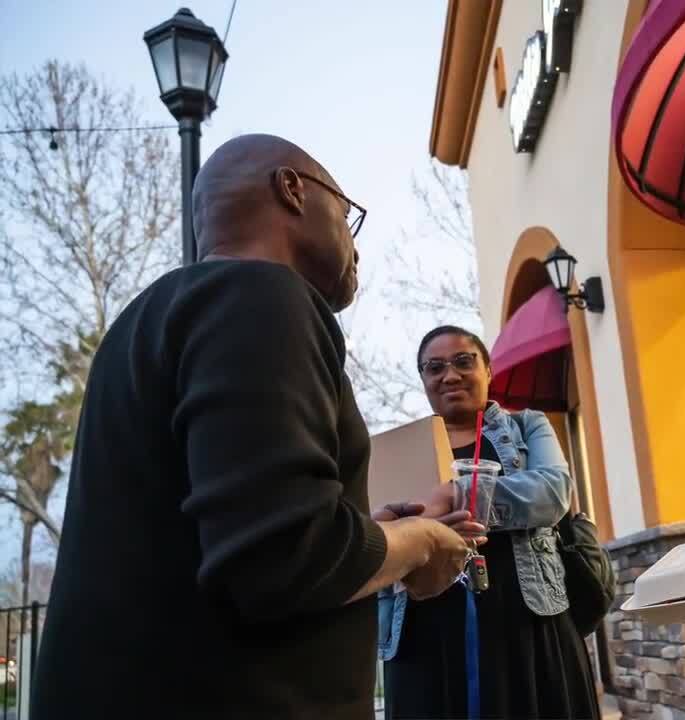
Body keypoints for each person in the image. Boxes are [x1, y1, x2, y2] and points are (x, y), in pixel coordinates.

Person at [33, 134, 475, 720]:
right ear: (292, 189)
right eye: (348, 216)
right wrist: (419, 545)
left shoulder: (138, 326)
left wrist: (364, 535)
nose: (355, 246)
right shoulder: (262, 295)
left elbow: (235, 545)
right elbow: (284, 560)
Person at [377, 325, 601, 720]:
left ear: (488, 370)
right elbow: (378, 530)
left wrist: (460, 498)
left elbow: (553, 490)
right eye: (434, 367)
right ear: (424, 380)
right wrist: (420, 532)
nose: (449, 375)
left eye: (464, 361)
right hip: (423, 630)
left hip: (525, 621)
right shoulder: (400, 448)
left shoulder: (527, 426)